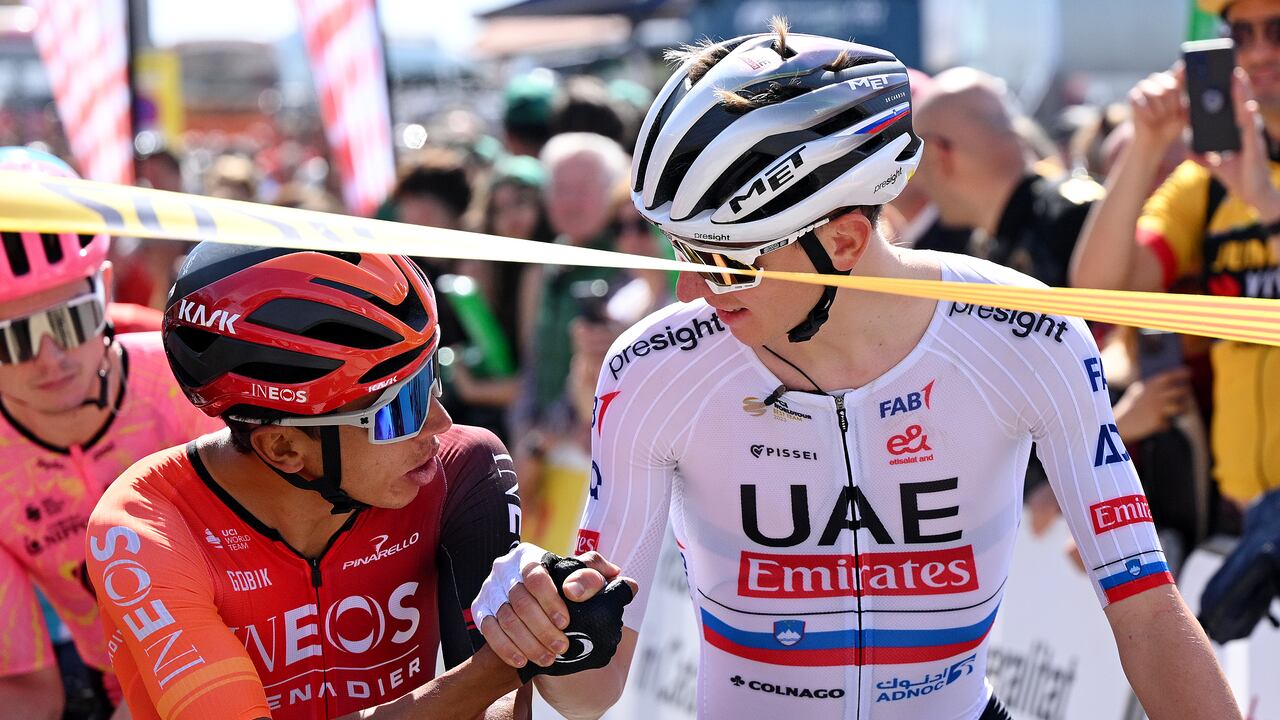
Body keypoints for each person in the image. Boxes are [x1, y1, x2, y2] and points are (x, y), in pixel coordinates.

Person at [471, 23, 1242, 719]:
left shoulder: (1025, 335)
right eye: (681, 250)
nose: (689, 292)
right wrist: (547, 627)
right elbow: (590, 694)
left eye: (724, 263)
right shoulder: (654, 368)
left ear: (843, 241)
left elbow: (1144, 611)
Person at [84, 245, 539, 719]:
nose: (440, 424)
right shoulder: (141, 528)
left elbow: (503, 711)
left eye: (430, 377)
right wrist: (500, 667)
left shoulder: (462, 467)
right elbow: (495, 679)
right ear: (284, 449)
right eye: (400, 409)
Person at [0, 147, 223, 720]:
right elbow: (29, 691)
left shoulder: (183, 377)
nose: (51, 359)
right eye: (14, 339)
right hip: (124, 694)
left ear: (103, 288)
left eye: (70, 321)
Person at [1071, 0, 1280, 507]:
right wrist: (1145, 144)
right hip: (1245, 514)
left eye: (1277, 30)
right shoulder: (1210, 180)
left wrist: (1266, 205)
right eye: (1241, 34)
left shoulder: (1238, 183)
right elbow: (1097, 292)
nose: (1259, 52)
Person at [912, 67, 1103, 287]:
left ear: (938, 155)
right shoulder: (994, 242)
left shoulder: (1075, 218)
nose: (918, 179)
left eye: (919, 158)